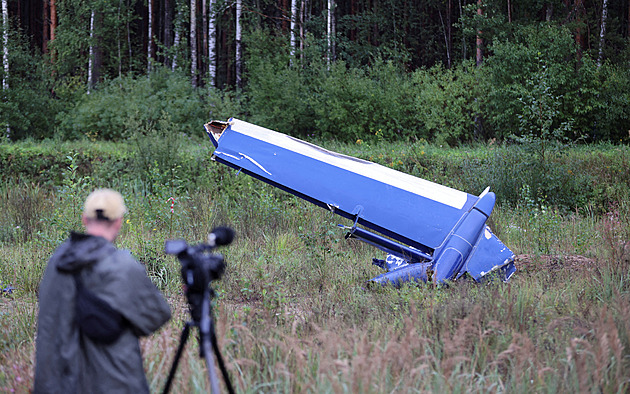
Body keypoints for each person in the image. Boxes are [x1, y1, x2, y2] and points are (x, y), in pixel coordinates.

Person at [34, 189, 171, 393]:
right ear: (118, 222)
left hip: (57, 384)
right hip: (113, 383)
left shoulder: (56, 263)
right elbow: (156, 316)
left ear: (84, 219)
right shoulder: (122, 266)